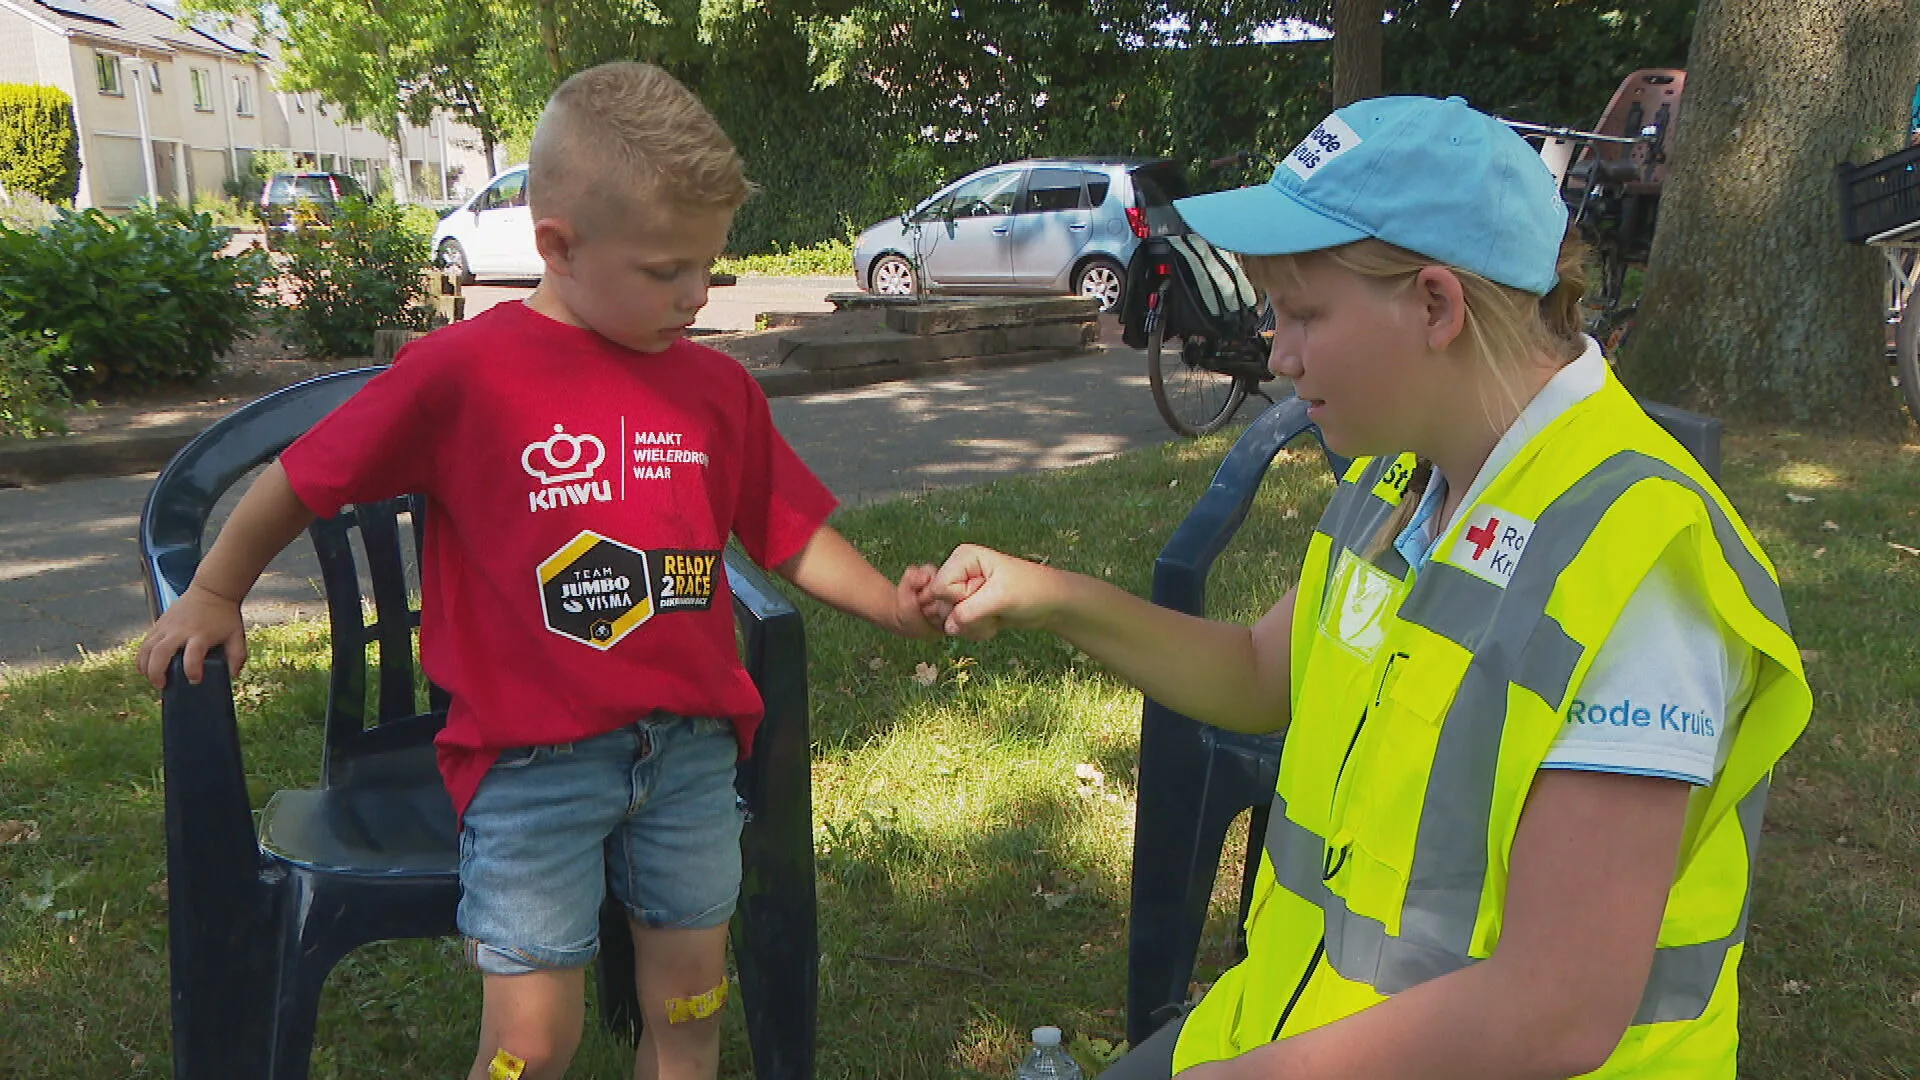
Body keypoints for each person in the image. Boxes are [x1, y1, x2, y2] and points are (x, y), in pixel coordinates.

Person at [929, 96, 1811, 1078]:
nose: (1279, 352)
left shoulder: (1644, 564)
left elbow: (1556, 1007)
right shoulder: (1404, 472)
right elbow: (1260, 672)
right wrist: (1050, 595)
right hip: (1276, 1030)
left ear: (1436, 306)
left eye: (1305, 314)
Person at [136, 62, 941, 1080]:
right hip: (528, 768)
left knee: (690, 1008)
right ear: (557, 247)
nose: (696, 295)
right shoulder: (462, 373)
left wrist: (891, 604)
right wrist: (215, 591)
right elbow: (303, 478)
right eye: (666, 270)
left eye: (709, 265)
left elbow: (787, 534)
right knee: (531, 1043)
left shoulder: (716, 389)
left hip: (690, 758)